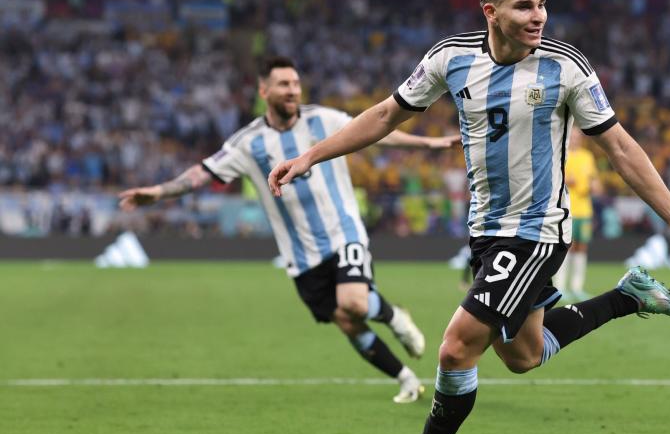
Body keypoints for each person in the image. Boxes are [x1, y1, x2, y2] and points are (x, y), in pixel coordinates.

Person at [268, 0, 670, 434]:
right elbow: (385, 116)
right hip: (486, 232)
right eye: (524, 6)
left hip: (536, 232)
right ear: (491, 12)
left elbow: (619, 146)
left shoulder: (566, 68)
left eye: (542, 4)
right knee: (524, 356)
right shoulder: (450, 59)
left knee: (456, 350)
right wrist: (312, 154)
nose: (539, 16)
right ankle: (627, 296)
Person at [119, 56, 459, 404]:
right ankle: (405, 380)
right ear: (264, 90)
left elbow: (379, 130)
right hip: (300, 255)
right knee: (347, 321)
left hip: (344, 233)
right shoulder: (247, 143)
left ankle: (394, 316)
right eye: (283, 84)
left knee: (354, 303)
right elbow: (202, 173)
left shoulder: (323, 119)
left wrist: (430, 144)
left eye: (296, 83)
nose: (292, 90)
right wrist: (158, 193)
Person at [554, 127, 600, 300]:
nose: (575, 140)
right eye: (572, 137)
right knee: (567, 247)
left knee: (581, 247)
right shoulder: (561, 155)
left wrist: (595, 185)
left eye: (577, 137)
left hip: (585, 210)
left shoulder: (587, 156)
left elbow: (594, 180)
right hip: (567, 210)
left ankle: (576, 287)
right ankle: (560, 287)